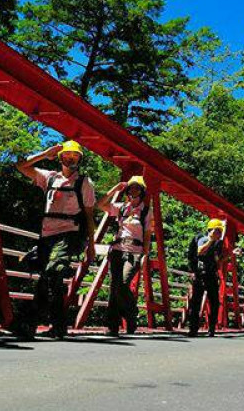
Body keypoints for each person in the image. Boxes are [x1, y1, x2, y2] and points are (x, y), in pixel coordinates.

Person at [17, 140, 97, 339]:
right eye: (68, 155)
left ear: (80, 159)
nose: (72, 158)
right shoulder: (49, 178)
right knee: (50, 280)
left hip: (68, 235)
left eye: (76, 156)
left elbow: (89, 215)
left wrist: (91, 245)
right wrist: (45, 153)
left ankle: (30, 323)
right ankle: (58, 326)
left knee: (52, 272)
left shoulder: (84, 183)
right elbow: (20, 166)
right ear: (61, 157)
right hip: (46, 236)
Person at [97, 175, 150, 336]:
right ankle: (113, 325)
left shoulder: (146, 211)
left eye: (137, 188)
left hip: (134, 252)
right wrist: (115, 189)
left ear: (142, 191)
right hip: (117, 250)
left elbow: (147, 235)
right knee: (114, 287)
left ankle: (131, 313)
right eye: (131, 187)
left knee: (123, 283)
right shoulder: (121, 207)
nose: (134, 190)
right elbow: (100, 204)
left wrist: (145, 256)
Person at [186, 219, 226, 337]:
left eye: (220, 232)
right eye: (217, 231)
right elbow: (199, 251)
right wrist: (211, 240)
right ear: (211, 230)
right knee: (196, 302)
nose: (219, 234)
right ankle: (193, 329)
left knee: (214, 302)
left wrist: (231, 254)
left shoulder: (217, 244)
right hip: (200, 275)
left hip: (211, 275)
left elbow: (218, 262)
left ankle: (211, 328)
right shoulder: (203, 239)